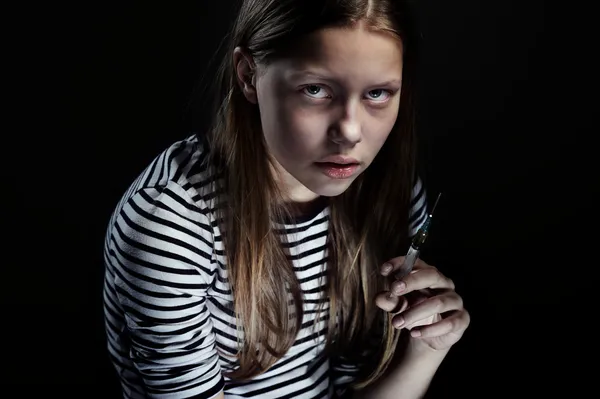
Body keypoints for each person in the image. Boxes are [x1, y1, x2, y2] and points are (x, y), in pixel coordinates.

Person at [102, 0, 470, 398]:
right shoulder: (170, 224)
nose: (349, 132)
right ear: (248, 76)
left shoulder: (388, 193)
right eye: (315, 90)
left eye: (377, 93)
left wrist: (425, 351)